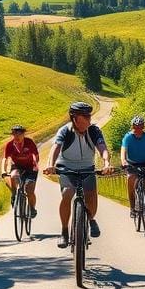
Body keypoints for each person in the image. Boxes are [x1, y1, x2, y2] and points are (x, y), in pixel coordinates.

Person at [43, 101, 113, 249]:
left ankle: (90, 219)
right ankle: (64, 231)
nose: (89, 118)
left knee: (92, 196)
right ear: (75, 118)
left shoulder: (94, 130)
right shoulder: (65, 131)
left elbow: (102, 148)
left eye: (89, 115)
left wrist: (106, 163)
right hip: (67, 167)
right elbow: (55, 148)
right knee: (67, 193)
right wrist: (51, 165)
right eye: (85, 116)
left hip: (87, 167)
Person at [1, 124, 39, 217]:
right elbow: (5, 159)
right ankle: (14, 194)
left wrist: (35, 164)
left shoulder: (29, 142)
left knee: (30, 190)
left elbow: (35, 156)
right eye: (14, 134)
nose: (17, 136)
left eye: (19, 134)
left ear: (23, 134)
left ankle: (32, 208)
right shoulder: (10, 145)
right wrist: (3, 170)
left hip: (30, 167)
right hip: (17, 166)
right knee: (13, 176)